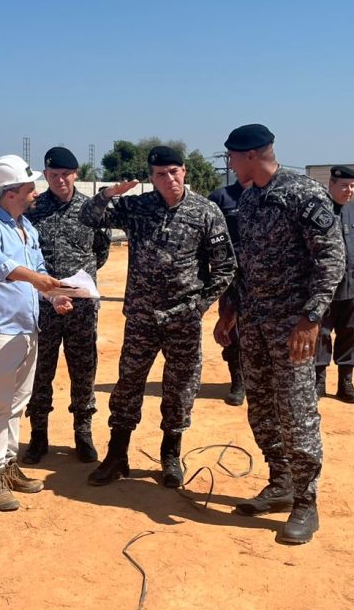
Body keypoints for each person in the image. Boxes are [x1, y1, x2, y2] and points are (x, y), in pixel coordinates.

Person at [214, 125, 345, 545]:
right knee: (262, 409)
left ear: (252, 155)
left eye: (232, 157)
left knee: (297, 413)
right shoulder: (250, 198)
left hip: (293, 329)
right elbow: (245, 263)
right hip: (253, 325)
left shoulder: (302, 194)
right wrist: (230, 310)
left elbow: (332, 258)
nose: (230, 165)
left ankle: (306, 503)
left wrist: (310, 319)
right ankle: (281, 482)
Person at [80, 146, 235, 489]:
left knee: (179, 389)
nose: (170, 180)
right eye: (161, 175)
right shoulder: (138, 207)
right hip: (141, 317)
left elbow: (225, 267)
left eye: (175, 172)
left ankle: (170, 455)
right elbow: (88, 218)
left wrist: (198, 306)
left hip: (183, 320)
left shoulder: (206, 212)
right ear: (151, 179)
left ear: (185, 172)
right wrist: (108, 194)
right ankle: (117, 455)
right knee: (128, 385)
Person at [0, 154, 68, 511]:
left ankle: (9, 464)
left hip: (28, 328)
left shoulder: (27, 228)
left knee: (17, 404)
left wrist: (54, 295)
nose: (35, 194)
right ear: (10, 192)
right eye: (29, 189)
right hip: (0, 331)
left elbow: (38, 268)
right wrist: (36, 279)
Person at [23, 146, 111, 465]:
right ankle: (38, 435)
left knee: (84, 368)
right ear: (45, 175)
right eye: (54, 175)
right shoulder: (33, 209)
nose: (60, 180)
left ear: (76, 174)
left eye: (66, 174)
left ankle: (83, 433)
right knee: (40, 369)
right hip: (43, 304)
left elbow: (101, 251)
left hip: (81, 306)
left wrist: (79, 282)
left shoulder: (92, 210)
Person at [315, 165, 354, 404]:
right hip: (325, 289)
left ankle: (345, 382)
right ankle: (318, 381)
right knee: (321, 334)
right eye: (344, 186)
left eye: (352, 186)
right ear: (331, 184)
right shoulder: (319, 211)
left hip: (352, 286)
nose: (349, 190)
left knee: (350, 334)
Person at [208, 177, 248, 406]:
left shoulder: (271, 194)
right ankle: (238, 380)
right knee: (231, 329)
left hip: (265, 277)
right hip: (231, 275)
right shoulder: (221, 198)